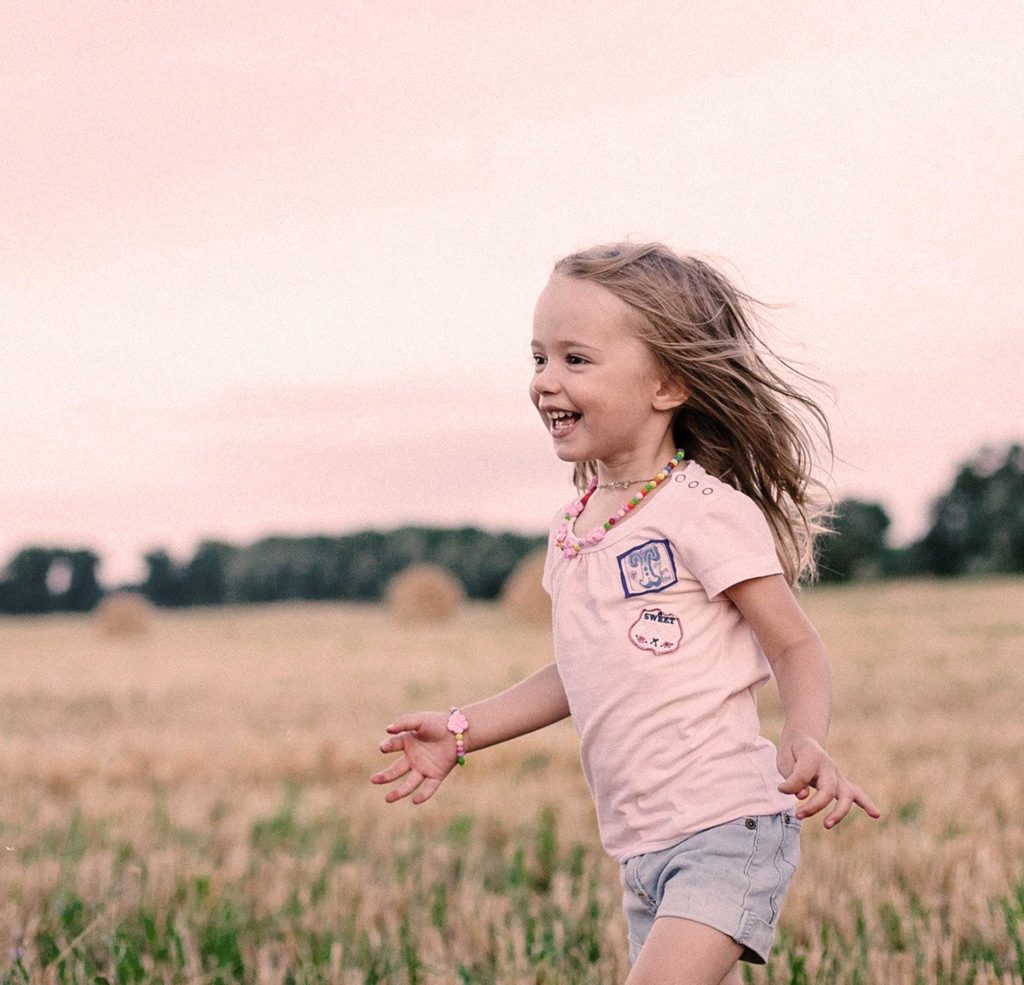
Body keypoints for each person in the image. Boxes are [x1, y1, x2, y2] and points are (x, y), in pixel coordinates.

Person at [370, 242, 881, 985]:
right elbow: (579, 670)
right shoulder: (574, 529)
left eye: (576, 359)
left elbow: (794, 644)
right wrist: (462, 728)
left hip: (726, 829)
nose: (546, 381)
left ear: (668, 383)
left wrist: (805, 737)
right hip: (641, 848)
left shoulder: (704, 512)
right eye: (538, 357)